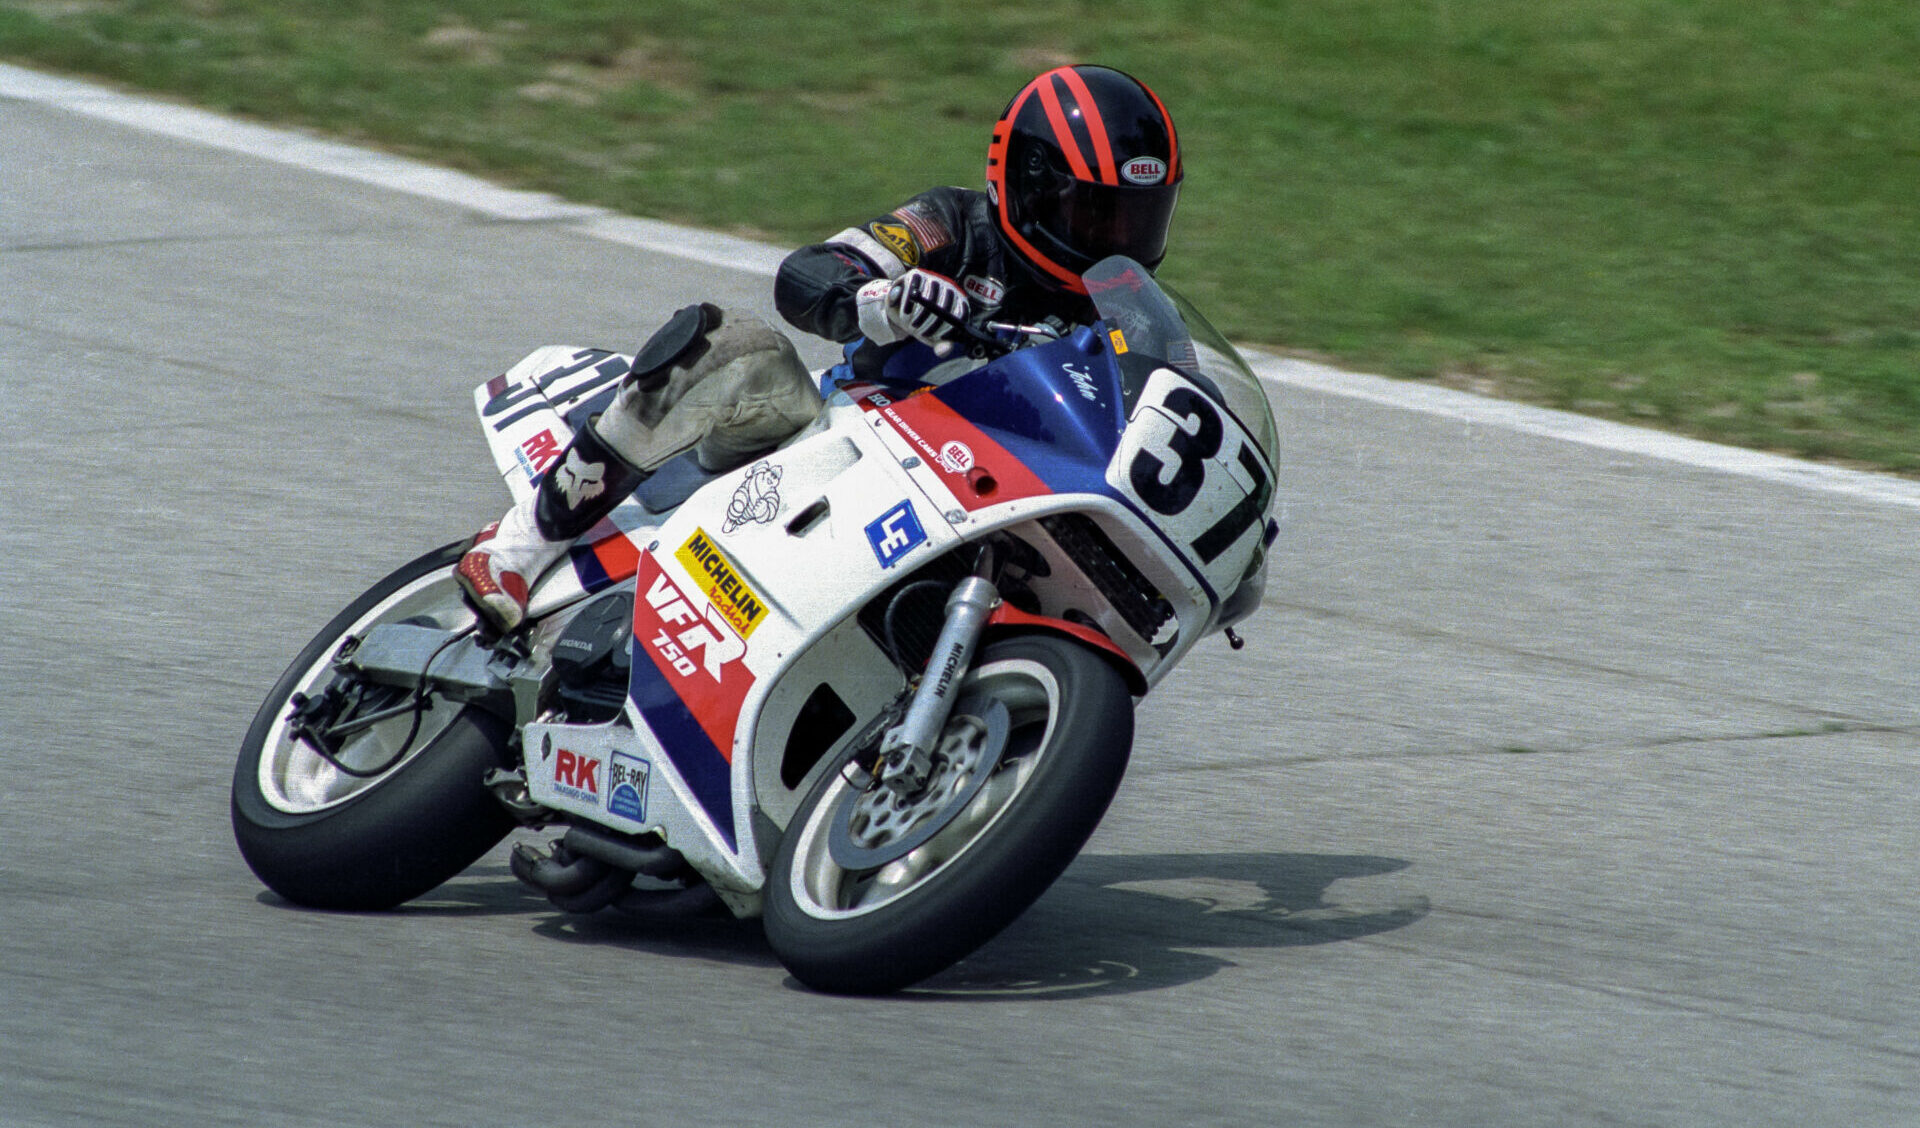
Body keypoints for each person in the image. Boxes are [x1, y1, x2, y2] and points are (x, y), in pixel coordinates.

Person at [456, 64, 1184, 631]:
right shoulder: (954, 224)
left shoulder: (1137, 324)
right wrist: (886, 303)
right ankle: (519, 546)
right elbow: (809, 274)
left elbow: (1171, 430)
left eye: (1135, 220)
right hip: (835, 437)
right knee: (736, 347)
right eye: (1094, 213)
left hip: (989, 505)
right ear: (1027, 185)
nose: (1114, 240)